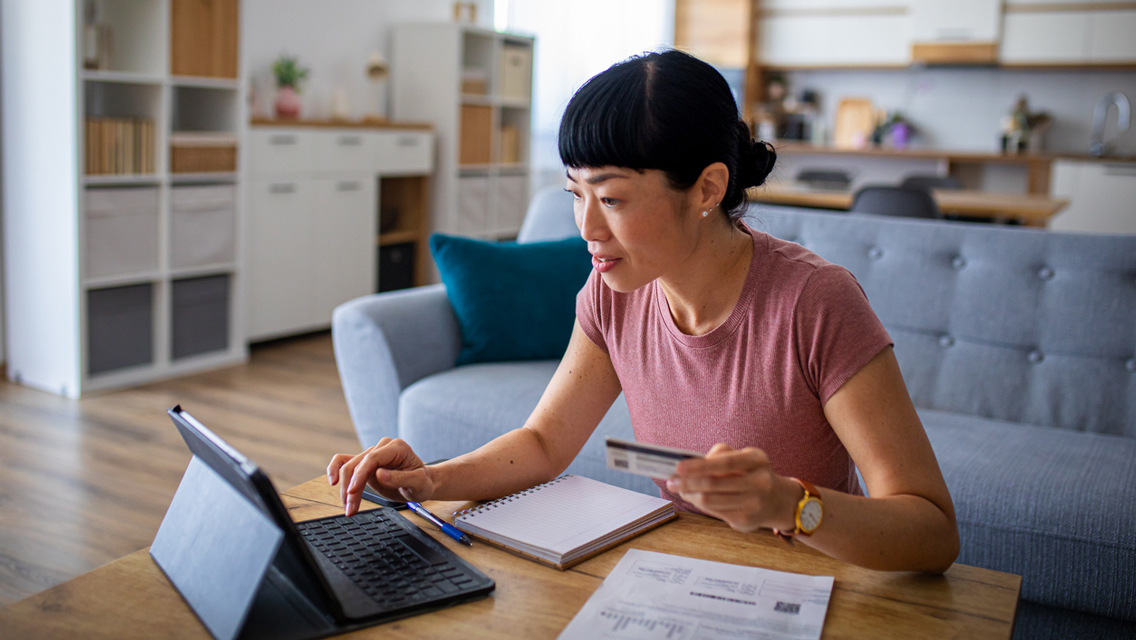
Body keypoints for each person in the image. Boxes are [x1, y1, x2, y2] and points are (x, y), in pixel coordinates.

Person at [329, 50, 959, 573]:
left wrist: (787, 505)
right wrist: (430, 482)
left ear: (708, 189)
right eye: (576, 195)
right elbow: (545, 443)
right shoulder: (613, 293)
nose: (587, 227)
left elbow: (932, 531)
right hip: (682, 578)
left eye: (611, 198)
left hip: (812, 590)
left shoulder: (815, 302)